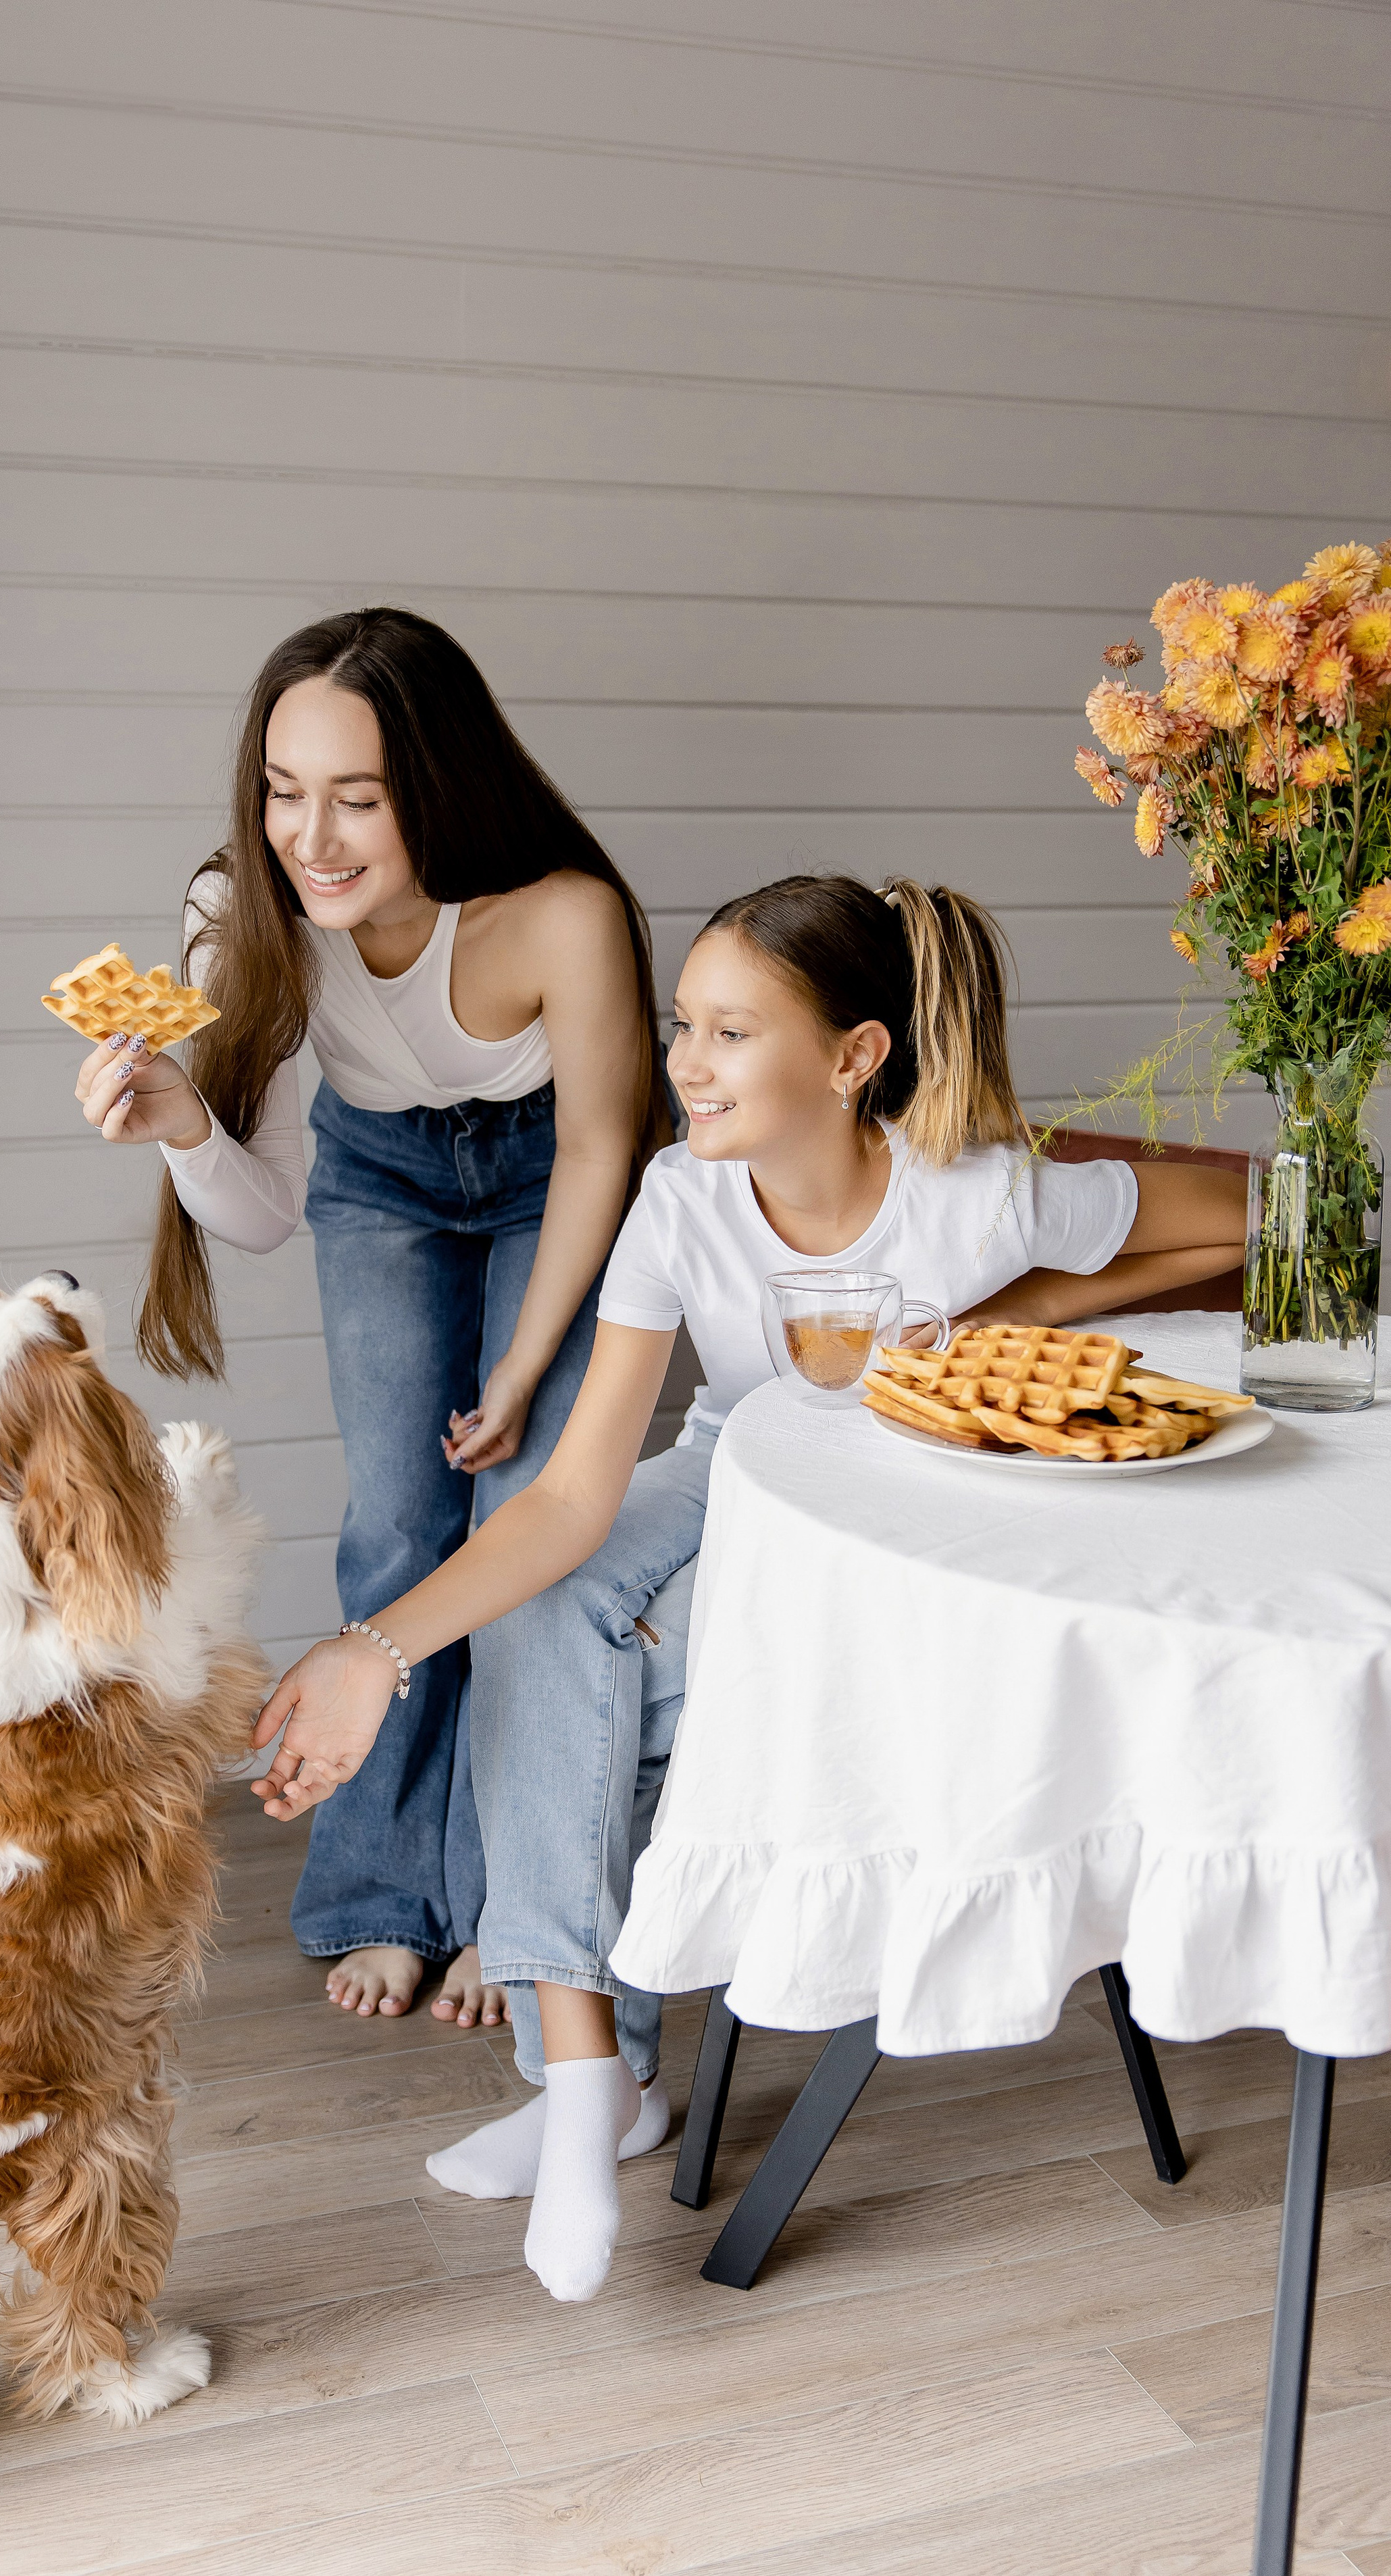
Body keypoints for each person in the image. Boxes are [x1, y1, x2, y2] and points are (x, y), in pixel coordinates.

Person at [243, 872, 1249, 2300]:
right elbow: (577, 1495)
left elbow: (1237, 1215)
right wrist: (371, 1648)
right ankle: (588, 2072)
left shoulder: (978, 1192)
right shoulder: (676, 1197)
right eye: (680, 1026)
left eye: (728, 1032)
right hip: (738, 1465)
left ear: (852, 1059)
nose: (683, 1063)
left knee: (608, 1679)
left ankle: (594, 2071)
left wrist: (987, 1320)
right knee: (542, 1599)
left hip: (898, 1513)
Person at [71, 609, 670, 2031]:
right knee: (400, 1527)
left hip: (552, 1171)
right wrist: (172, 1125)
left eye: (358, 795)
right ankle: (387, 1892)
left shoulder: (560, 910)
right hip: (376, 1175)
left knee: (524, 1532)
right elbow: (266, 1202)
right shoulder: (242, 910)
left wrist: (526, 1356)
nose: (311, 836)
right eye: (284, 789)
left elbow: (603, 1144)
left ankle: (513, 1917)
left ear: (438, 782)